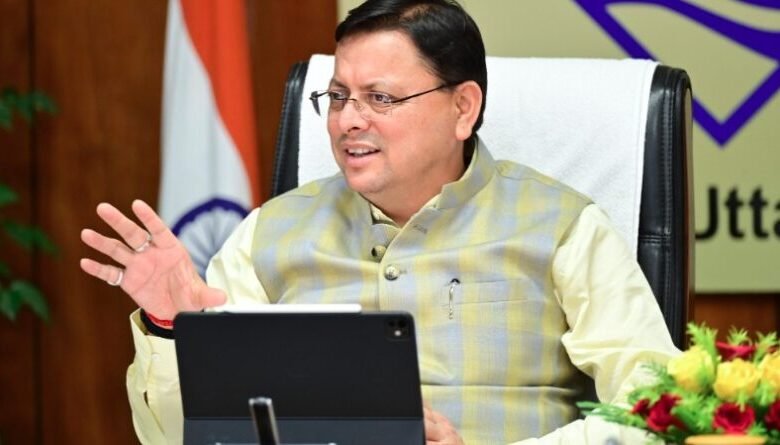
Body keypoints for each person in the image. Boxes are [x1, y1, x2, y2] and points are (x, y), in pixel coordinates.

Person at [80, 0, 679, 443]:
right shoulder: (268, 234)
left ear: (463, 107)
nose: (348, 120)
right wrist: (172, 330)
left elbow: (656, 410)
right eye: (338, 97)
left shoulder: (564, 226)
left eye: (381, 98)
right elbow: (180, 436)